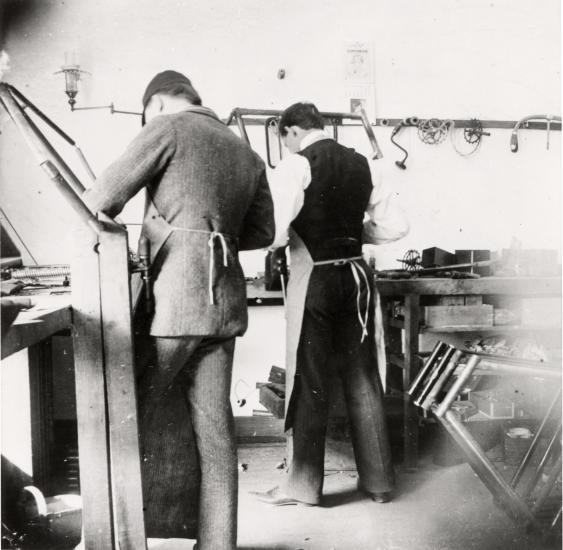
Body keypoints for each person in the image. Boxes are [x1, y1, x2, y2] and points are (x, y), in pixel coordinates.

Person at [83, 70, 275, 550]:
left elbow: (99, 200)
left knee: (126, 417)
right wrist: (212, 233)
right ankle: (217, 544)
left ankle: (111, 540)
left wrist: (173, 233)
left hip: (175, 303)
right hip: (224, 305)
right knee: (214, 430)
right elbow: (263, 234)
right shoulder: (245, 151)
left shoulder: (166, 128)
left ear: (155, 103)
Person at [253, 102, 408, 507]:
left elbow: (274, 230)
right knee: (363, 377)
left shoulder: (295, 166)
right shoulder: (364, 164)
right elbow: (395, 226)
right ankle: (379, 484)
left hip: (317, 280)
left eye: (284, 140)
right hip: (357, 280)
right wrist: (352, 236)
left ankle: (304, 489)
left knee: (310, 382)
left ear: (289, 131)